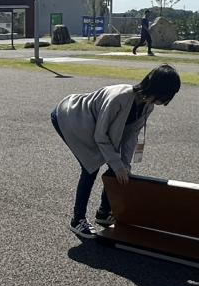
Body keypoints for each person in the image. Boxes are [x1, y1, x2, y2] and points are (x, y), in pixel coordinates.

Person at [51, 64, 181, 239]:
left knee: (117, 167)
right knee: (90, 168)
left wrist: (124, 165)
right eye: (167, 94)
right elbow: (100, 135)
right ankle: (77, 220)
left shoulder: (147, 105)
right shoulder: (119, 98)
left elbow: (131, 135)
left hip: (93, 125)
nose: (166, 100)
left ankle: (103, 212)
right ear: (157, 87)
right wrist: (117, 164)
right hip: (71, 117)